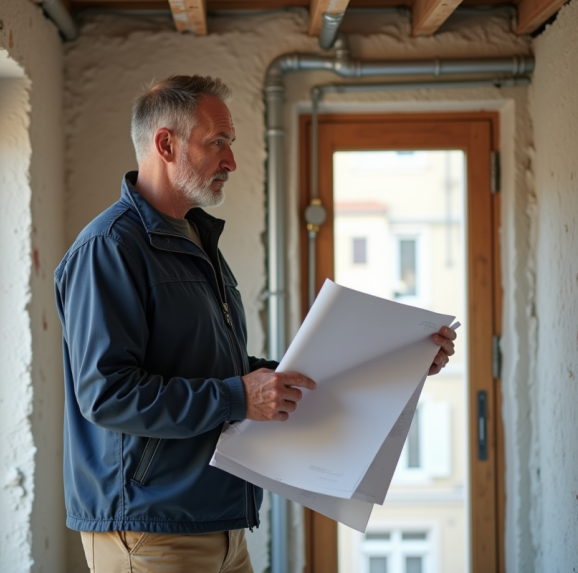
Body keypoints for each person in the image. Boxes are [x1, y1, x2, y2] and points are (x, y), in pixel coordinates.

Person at [54, 75, 457, 573]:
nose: (231, 161)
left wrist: (399, 362)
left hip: (219, 525)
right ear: (166, 144)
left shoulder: (197, 242)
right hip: (150, 532)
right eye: (217, 142)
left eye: (231, 144)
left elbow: (222, 369)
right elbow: (107, 394)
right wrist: (237, 397)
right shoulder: (110, 248)